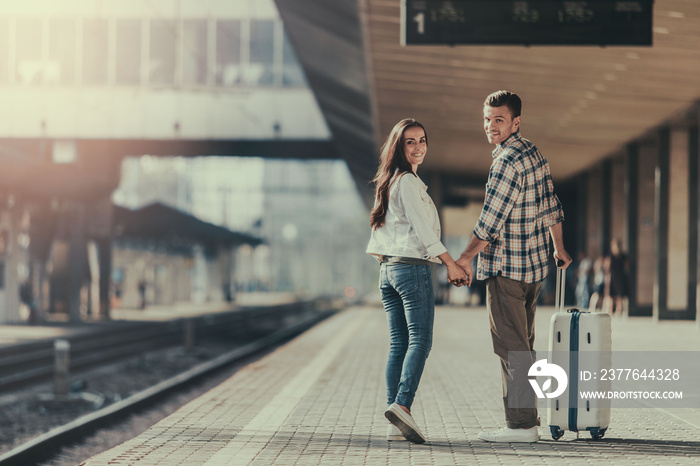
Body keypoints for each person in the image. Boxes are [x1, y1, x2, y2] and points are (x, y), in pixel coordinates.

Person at [455, 91, 572, 443]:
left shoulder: (506, 161)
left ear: (516, 122)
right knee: (522, 345)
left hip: (507, 271)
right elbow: (551, 204)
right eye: (487, 119)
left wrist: (464, 258)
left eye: (499, 119)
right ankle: (524, 422)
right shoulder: (533, 153)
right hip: (534, 270)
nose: (491, 126)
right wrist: (559, 248)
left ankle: (523, 426)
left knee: (512, 349)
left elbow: (490, 223)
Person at [366, 118, 467, 444]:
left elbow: (381, 232)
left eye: (422, 140)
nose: (419, 146)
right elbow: (424, 232)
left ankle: (393, 418)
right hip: (411, 270)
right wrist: (450, 264)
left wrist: (387, 258)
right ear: (399, 146)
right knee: (420, 341)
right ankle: (403, 407)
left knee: (399, 344)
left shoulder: (390, 181)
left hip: (389, 271)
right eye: (410, 142)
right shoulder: (407, 182)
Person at [603, 239, 628, 316]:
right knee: (617, 295)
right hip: (619, 276)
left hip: (613, 277)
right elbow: (626, 266)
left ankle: (612, 311)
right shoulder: (622, 256)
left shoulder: (611, 256)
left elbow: (606, 267)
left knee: (612, 295)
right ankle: (617, 311)